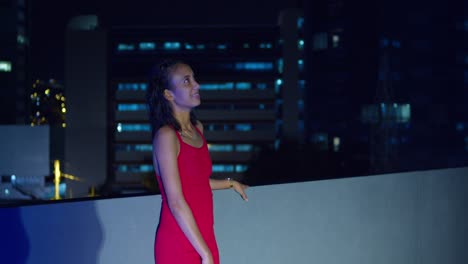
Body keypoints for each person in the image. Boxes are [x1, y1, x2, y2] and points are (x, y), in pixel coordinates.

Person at [146, 59, 249, 264]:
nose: (197, 85)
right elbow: (175, 201)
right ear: (168, 94)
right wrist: (206, 254)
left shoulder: (198, 129)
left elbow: (196, 182)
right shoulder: (166, 136)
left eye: (194, 79)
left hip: (204, 237)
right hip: (178, 242)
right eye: (186, 81)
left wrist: (230, 182)